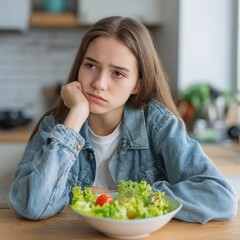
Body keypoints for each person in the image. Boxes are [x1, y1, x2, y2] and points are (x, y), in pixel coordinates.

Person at [8, 16, 237, 223]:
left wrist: (119, 197)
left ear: (138, 83)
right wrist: (77, 113)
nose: (99, 83)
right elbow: (32, 205)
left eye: (118, 73)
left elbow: (221, 198)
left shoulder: (158, 125)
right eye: (90, 65)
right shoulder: (57, 124)